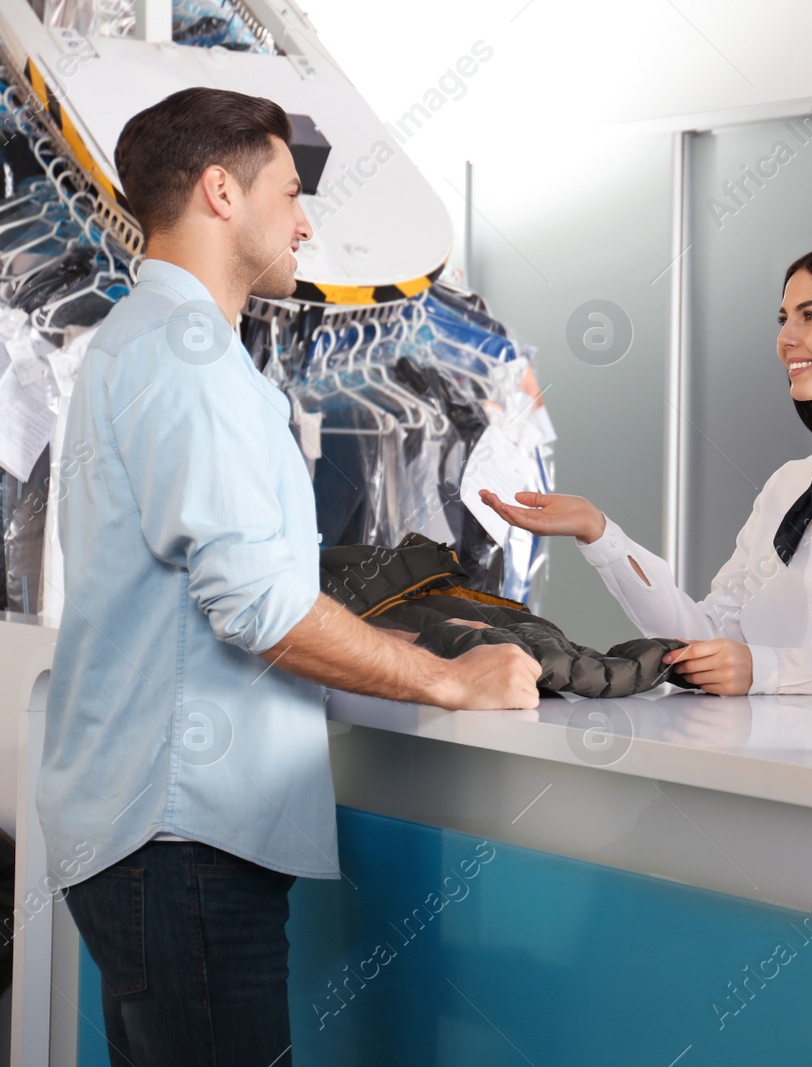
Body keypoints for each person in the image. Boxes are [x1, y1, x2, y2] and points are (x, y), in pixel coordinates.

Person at [40, 88, 541, 1067]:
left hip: (145, 828)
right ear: (220, 191)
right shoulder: (194, 365)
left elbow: (209, 581)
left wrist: (382, 644)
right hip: (182, 839)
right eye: (286, 191)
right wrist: (448, 678)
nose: (305, 222)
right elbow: (255, 603)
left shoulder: (134, 343)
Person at [482, 243, 812, 704]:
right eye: (783, 318)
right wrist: (598, 533)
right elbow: (704, 637)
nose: (785, 338)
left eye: (809, 315)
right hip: (770, 762)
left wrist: (765, 669)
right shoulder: (788, 486)